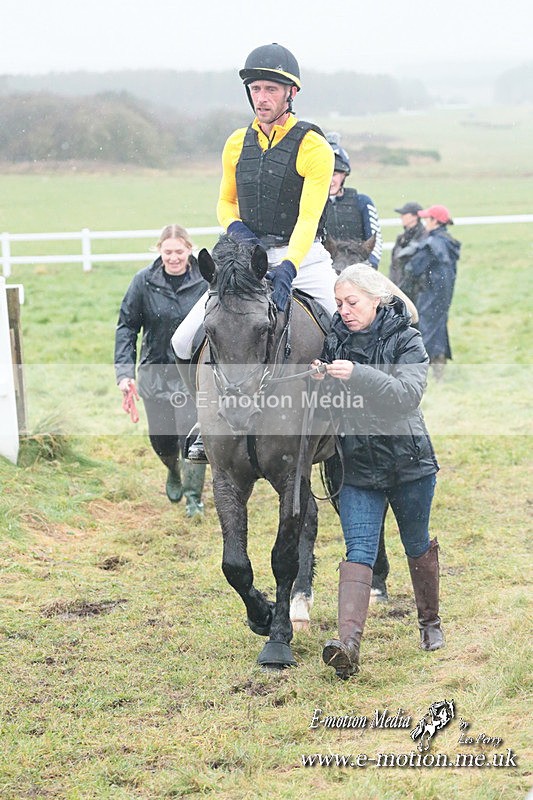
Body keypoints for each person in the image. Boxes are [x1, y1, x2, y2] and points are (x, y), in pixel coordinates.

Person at [172, 42, 337, 462]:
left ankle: (348, 426)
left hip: (303, 257)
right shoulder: (234, 143)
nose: (261, 97)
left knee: (345, 331)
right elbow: (225, 203)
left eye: (270, 90)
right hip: (246, 257)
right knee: (182, 339)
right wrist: (240, 232)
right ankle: (204, 421)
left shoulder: (313, 147)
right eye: (256, 89)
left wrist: (289, 267)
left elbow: (307, 216)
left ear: (290, 94)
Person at [311, 263, 444, 680]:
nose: (344, 310)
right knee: (359, 552)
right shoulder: (334, 341)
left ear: (377, 299)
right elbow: (328, 404)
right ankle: (347, 645)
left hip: (410, 464)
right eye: (338, 303)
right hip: (355, 468)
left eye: (351, 302)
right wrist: (320, 379)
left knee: (416, 542)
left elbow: (405, 396)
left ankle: (430, 624)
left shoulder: (409, 340)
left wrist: (359, 374)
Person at [114, 224, 208, 517]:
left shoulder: (206, 281)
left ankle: (194, 498)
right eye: (168, 252)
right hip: (155, 373)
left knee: (191, 439)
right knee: (162, 440)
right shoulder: (143, 281)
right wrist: (124, 372)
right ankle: (172, 469)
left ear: (189, 250)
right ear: (159, 251)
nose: (174, 257)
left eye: (179, 251)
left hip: (192, 375)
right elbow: (127, 327)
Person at [402, 204, 460, 379]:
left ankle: (420, 375)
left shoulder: (432, 243)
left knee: (425, 331)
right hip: (443, 295)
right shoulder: (447, 241)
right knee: (439, 329)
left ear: (435, 221)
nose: (424, 222)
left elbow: (413, 268)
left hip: (429, 294)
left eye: (427, 218)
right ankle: (439, 374)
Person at [324, 132, 383, 269]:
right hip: (323, 268)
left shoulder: (362, 202)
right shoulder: (309, 203)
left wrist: (371, 264)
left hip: (359, 266)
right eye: (325, 174)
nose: (330, 180)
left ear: (344, 175)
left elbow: (376, 239)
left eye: (334, 174)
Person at [389, 201, 426, 288]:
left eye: (404, 214)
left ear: (415, 217)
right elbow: (394, 265)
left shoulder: (423, 238)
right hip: (399, 284)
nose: (401, 217)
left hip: (414, 288)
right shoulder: (401, 238)